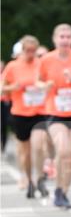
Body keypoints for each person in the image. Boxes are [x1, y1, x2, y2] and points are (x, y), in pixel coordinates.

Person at [37, 24, 71, 209]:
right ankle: (59, 189)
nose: (65, 40)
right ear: (55, 39)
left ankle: (63, 192)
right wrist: (45, 87)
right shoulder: (46, 60)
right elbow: (38, 81)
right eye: (62, 37)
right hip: (55, 112)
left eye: (68, 37)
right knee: (64, 150)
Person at [1, 35, 49, 197]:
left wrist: (44, 86)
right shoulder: (13, 67)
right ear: (22, 50)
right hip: (20, 113)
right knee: (25, 152)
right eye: (27, 50)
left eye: (33, 51)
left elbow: (50, 83)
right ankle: (29, 180)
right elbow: (2, 88)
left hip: (40, 112)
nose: (30, 54)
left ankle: (41, 178)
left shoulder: (42, 64)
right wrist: (14, 87)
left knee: (38, 145)